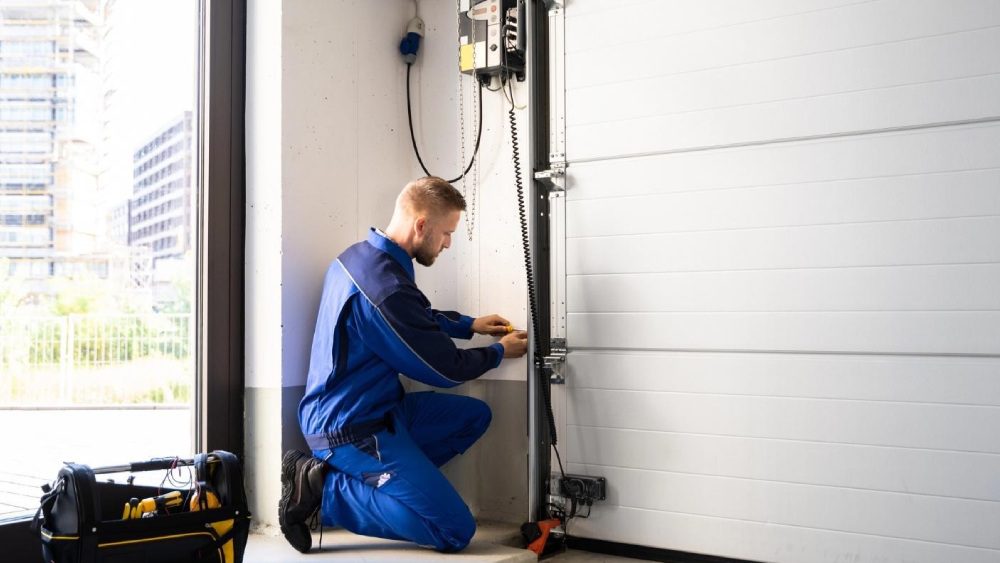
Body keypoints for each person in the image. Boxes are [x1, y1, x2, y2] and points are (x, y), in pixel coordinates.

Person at [279, 176, 529, 553]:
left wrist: (469, 325)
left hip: (381, 411)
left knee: (473, 416)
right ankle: (325, 490)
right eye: (446, 233)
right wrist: (497, 352)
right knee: (454, 530)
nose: (448, 243)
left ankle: (391, 487)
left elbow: (414, 317)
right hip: (349, 430)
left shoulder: (361, 258)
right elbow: (445, 370)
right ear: (421, 225)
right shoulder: (384, 290)